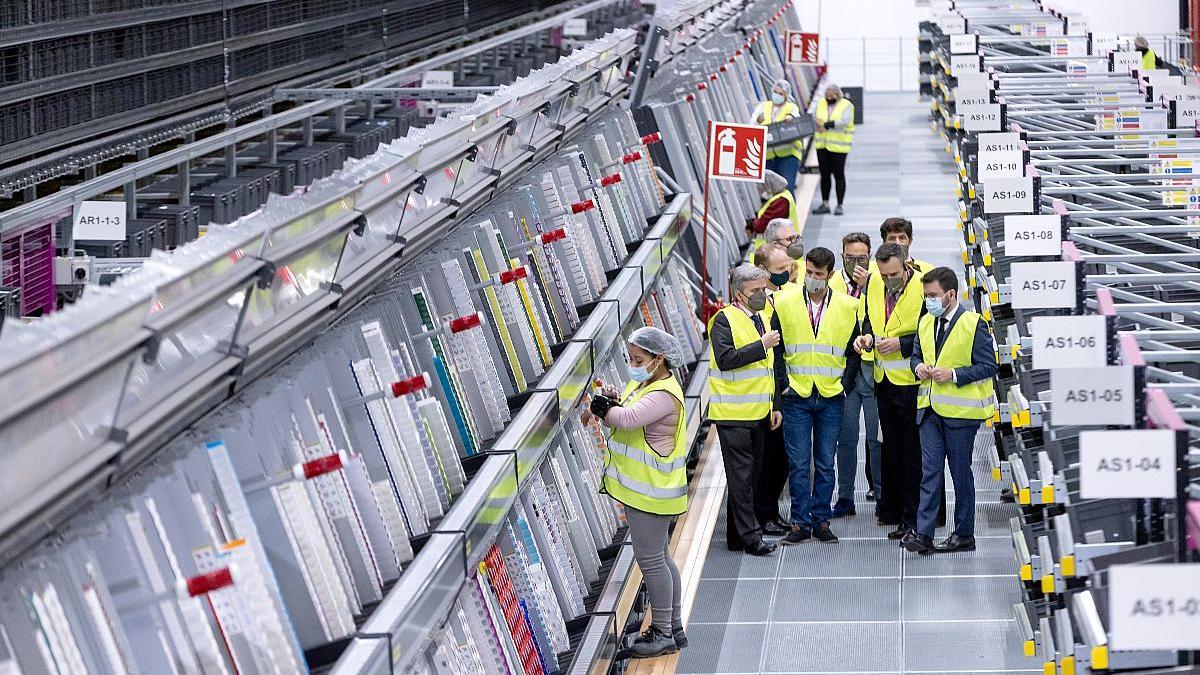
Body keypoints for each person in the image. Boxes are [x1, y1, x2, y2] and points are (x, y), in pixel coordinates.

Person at [588, 326, 690, 657]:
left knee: (651, 561)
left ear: (659, 359)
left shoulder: (664, 393)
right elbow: (624, 412)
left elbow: (629, 419)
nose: (633, 364)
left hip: (651, 492)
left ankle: (661, 633)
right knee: (660, 557)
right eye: (630, 358)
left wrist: (601, 407)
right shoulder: (646, 382)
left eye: (639, 359)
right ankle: (672, 627)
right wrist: (613, 403)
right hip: (647, 490)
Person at [903, 268, 997, 554]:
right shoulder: (925, 322)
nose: (928, 301)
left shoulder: (973, 323)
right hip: (929, 410)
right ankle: (924, 534)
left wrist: (954, 375)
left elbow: (988, 366)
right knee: (929, 472)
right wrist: (917, 366)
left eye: (933, 295)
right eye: (926, 296)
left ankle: (964, 533)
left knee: (959, 473)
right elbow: (917, 355)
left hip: (961, 415)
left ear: (951, 294)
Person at [771, 247, 860, 545]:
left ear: (830, 275)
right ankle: (800, 522)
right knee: (798, 462)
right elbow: (777, 349)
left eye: (818, 275)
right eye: (808, 273)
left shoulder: (848, 307)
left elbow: (853, 351)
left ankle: (821, 519)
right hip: (796, 394)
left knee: (825, 461)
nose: (812, 279)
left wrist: (845, 384)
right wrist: (783, 385)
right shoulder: (783, 302)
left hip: (831, 395)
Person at [853, 243, 926, 542]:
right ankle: (899, 514)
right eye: (883, 275)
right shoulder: (873, 284)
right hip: (884, 379)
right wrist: (867, 337)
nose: (888, 280)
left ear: (906, 265)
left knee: (912, 455)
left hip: (910, 384)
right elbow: (871, 318)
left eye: (893, 274)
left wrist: (902, 344)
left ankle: (915, 519)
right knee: (892, 452)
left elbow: (931, 330)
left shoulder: (923, 287)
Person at [707, 264, 781, 556]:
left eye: (763, 289)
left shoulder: (761, 317)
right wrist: (761, 346)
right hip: (733, 415)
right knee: (741, 478)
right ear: (739, 293)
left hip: (758, 412)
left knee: (750, 477)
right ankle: (752, 538)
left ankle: (737, 536)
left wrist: (774, 405)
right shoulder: (723, 320)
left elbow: (768, 369)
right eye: (756, 291)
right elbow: (725, 359)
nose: (762, 295)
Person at [829, 232, 880, 517]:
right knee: (845, 440)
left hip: (874, 372)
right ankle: (845, 497)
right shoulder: (832, 284)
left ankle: (883, 496)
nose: (856, 263)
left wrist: (869, 286)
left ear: (869, 258)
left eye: (862, 258)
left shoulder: (879, 283)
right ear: (842, 256)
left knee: (876, 439)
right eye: (851, 258)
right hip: (844, 373)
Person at [751, 245, 795, 534]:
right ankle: (763, 514)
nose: (787, 274)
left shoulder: (784, 298)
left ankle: (771, 511)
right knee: (766, 461)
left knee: (782, 460)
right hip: (764, 396)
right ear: (763, 272)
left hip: (785, 391)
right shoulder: (758, 308)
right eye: (780, 270)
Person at [812, 83, 854, 216]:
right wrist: (817, 124)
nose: (829, 98)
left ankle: (839, 204)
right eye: (827, 95)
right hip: (822, 146)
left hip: (839, 147)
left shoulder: (846, 105)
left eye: (831, 95)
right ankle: (825, 203)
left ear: (838, 94)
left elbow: (845, 121)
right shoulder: (820, 104)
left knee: (839, 176)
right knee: (824, 176)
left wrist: (826, 125)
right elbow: (813, 117)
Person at [754, 78, 804, 190]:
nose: (777, 95)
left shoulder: (791, 107)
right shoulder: (763, 106)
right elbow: (752, 124)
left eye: (781, 93)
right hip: (768, 156)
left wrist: (791, 118)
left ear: (786, 95)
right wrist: (757, 120)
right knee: (770, 191)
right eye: (775, 92)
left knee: (786, 189)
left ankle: (790, 208)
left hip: (788, 155)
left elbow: (796, 116)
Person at [747, 170, 797, 247]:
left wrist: (751, 224)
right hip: (785, 244)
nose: (762, 192)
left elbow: (761, 226)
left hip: (776, 248)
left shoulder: (780, 202)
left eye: (763, 188)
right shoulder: (784, 195)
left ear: (768, 186)